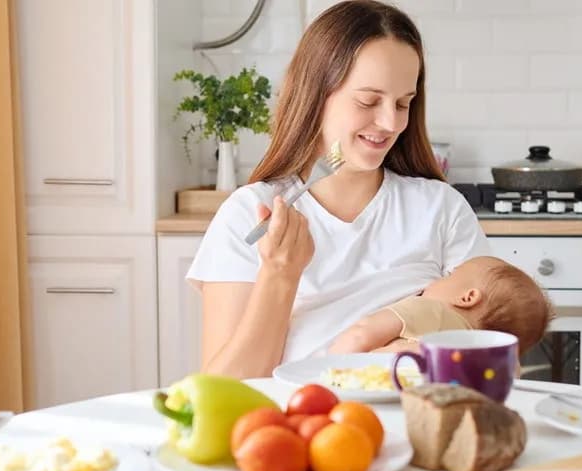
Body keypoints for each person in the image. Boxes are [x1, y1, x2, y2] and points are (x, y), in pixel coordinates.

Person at [186, 0, 489, 378]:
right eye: (368, 100)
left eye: (403, 103)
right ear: (316, 94)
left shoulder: (440, 209)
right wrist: (280, 274)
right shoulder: (248, 213)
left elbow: (493, 352)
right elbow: (222, 388)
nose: (390, 122)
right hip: (294, 413)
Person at [327, 256, 552, 355]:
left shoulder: (430, 309)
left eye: (450, 275)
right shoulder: (476, 354)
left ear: (467, 298)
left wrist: (328, 369)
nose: (438, 279)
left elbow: (361, 333)